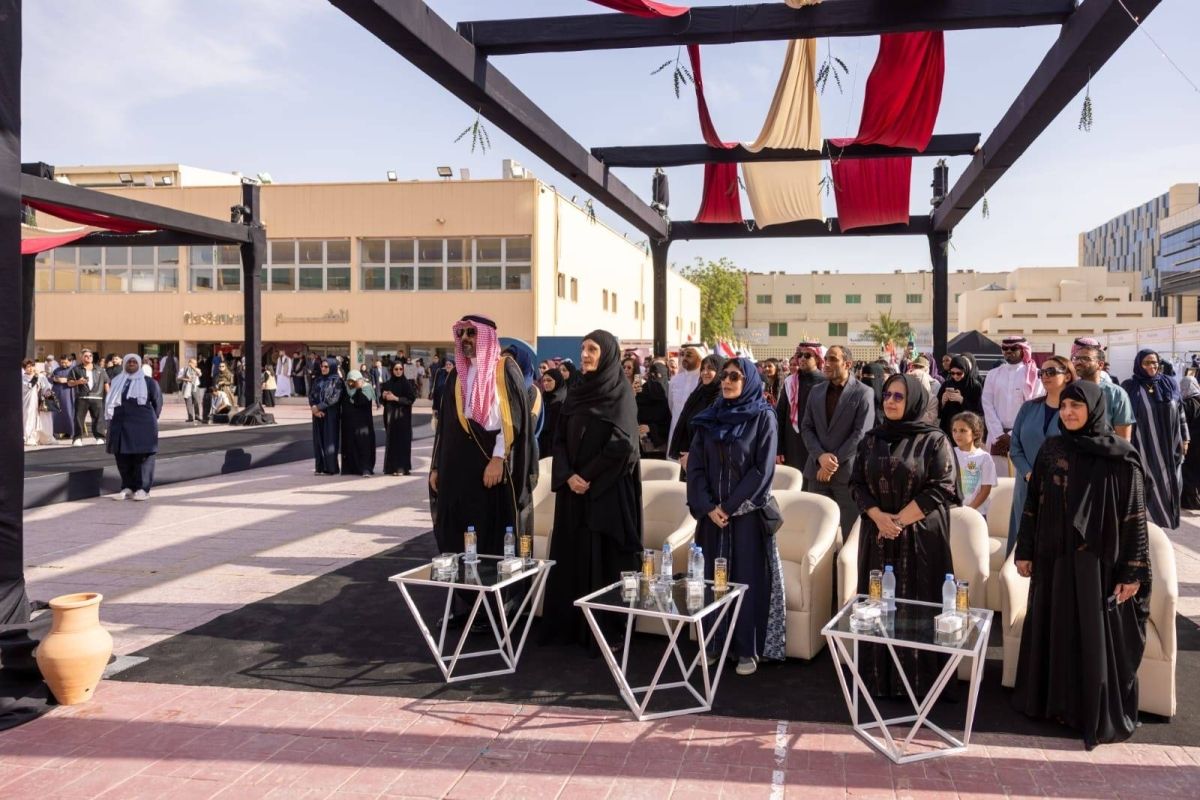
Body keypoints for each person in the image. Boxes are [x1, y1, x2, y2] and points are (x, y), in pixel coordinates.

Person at [1013, 380, 1151, 750]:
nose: (1069, 412)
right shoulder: (1051, 448)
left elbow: (1134, 516)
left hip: (1097, 563)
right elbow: (1033, 503)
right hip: (1053, 557)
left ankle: (1086, 711)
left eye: (1076, 406)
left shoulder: (1120, 455)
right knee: (1055, 627)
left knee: (1091, 635)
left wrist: (1132, 571)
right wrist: (1024, 550)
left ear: (1095, 409)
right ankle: (1055, 706)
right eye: (1064, 406)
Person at [850, 373, 959, 697]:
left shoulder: (934, 440)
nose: (891, 401)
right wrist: (878, 517)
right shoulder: (871, 439)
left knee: (918, 605)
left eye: (899, 396)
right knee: (878, 603)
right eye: (887, 395)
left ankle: (919, 684)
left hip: (920, 538)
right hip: (878, 535)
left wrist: (896, 522)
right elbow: (856, 484)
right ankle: (878, 680)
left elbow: (943, 486)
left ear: (913, 401)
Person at [541, 330, 642, 650]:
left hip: (605, 493)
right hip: (574, 493)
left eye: (592, 349)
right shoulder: (577, 392)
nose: (584, 354)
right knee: (572, 554)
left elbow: (623, 444)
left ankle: (603, 630)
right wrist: (568, 475)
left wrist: (586, 475)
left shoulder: (620, 393)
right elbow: (559, 438)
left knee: (603, 558)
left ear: (607, 354)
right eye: (583, 348)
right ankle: (569, 627)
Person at [687, 356, 786, 675]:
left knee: (746, 578)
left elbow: (762, 470)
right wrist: (707, 506)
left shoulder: (763, 417)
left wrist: (728, 507)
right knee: (711, 580)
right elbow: (696, 467)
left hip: (745, 517)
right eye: (724, 376)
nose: (727, 381)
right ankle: (713, 643)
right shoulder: (710, 417)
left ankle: (746, 649)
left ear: (750, 381)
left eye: (735, 376)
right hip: (711, 518)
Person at [429, 314, 533, 560]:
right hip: (457, 470)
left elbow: (513, 421)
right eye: (461, 333)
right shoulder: (456, 375)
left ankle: (492, 581)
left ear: (487, 336)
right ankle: (461, 581)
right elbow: (445, 427)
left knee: (491, 532)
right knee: (457, 532)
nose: (465, 338)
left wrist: (498, 458)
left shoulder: (504, 370)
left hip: (490, 466)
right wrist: (437, 466)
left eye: (471, 332)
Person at [801, 345, 876, 541]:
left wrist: (831, 463)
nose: (827, 363)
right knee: (816, 533)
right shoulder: (816, 391)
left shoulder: (863, 392)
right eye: (826, 358)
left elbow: (861, 434)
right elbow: (807, 428)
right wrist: (820, 456)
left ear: (847, 364)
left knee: (850, 533)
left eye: (833, 359)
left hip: (846, 475)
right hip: (817, 473)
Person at [1007, 355, 1075, 551]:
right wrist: (1029, 474)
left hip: (1060, 489)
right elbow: (1015, 447)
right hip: (1026, 484)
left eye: (1051, 371)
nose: (1045, 376)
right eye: (1041, 372)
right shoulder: (1028, 408)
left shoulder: (1075, 412)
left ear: (1067, 376)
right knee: (1024, 545)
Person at [1122, 349, 1188, 529]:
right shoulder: (1130, 386)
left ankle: (1167, 520)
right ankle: (1147, 527)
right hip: (1143, 446)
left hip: (1171, 446)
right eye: (1147, 363)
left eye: (1154, 362)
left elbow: (1180, 411)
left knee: (1172, 484)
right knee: (1146, 484)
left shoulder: (1169, 383)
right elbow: (1123, 417)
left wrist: (1185, 439)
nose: (1152, 366)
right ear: (1138, 365)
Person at [982, 336, 1045, 477]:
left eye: (1013, 348)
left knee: (1022, 479)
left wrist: (1012, 435)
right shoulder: (993, 374)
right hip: (996, 438)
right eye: (1005, 348)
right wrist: (999, 435)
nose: (1008, 351)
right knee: (997, 481)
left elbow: (1034, 407)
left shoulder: (1035, 375)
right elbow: (987, 404)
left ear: (1023, 350)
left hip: (1023, 435)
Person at [105, 354, 163, 501]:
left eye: (134, 362)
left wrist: (149, 418)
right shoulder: (117, 381)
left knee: (143, 456)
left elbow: (157, 403)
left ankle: (143, 489)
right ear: (124, 364)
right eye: (128, 362)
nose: (131, 364)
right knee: (122, 456)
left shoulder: (149, 382)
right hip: (120, 423)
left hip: (143, 425)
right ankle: (128, 487)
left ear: (139, 364)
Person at [668, 354, 724, 473]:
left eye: (710, 368)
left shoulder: (722, 399)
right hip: (688, 457)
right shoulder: (698, 393)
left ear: (720, 372)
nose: (705, 372)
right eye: (703, 369)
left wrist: (695, 456)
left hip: (709, 463)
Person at [776, 343, 826, 471]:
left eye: (807, 355)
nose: (802, 358)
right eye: (800, 355)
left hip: (817, 443)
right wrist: (779, 448)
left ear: (818, 359)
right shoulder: (790, 382)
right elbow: (780, 415)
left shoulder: (826, 382)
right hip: (792, 442)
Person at [1071, 344, 1133, 440]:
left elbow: (1124, 439)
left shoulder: (1115, 393)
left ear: (1100, 365)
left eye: (1085, 359)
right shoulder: (1071, 390)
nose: (1078, 362)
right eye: (1076, 358)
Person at [950, 411, 996, 516]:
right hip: (953, 512)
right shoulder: (949, 453)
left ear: (975, 433)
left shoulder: (984, 458)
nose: (957, 434)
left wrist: (969, 510)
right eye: (954, 430)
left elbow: (985, 490)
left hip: (977, 513)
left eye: (963, 430)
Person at [308, 357, 344, 475]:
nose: (323, 369)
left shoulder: (337, 381)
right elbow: (311, 395)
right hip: (317, 414)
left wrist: (319, 407)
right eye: (322, 366)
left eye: (326, 367)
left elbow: (335, 398)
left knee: (330, 441)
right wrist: (314, 408)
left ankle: (331, 468)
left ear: (332, 367)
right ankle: (320, 467)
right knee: (318, 441)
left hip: (331, 415)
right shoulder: (317, 380)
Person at [381, 361, 417, 476]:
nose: (398, 371)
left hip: (402, 417)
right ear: (392, 370)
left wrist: (396, 398)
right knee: (392, 441)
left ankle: (402, 468)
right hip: (390, 417)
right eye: (396, 369)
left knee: (402, 442)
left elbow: (411, 399)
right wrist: (383, 396)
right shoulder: (387, 384)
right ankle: (391, 467)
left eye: (400, 369)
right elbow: (382, 401)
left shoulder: (406, 384)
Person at [340, 370, 376, 477]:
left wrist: (359, 388)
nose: (351, 383)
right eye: (350, 381)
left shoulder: (366, 388)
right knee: (350, 445)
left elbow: (361, 402)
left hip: (363, 425)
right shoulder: (345, 390)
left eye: (354, 381)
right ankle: (350, 468)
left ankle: (366, 468)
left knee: (363, 446)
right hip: (349, 424)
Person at [67, 349, 107, 446]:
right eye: (86, 356)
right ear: (81, 357)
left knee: (98, 418)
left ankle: (100, 437)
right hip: (82, 397)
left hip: (97, 396)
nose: (88, 357)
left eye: (90, 356)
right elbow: (69, 383)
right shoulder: (76, 369)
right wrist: (78, 382)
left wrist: (109, 395)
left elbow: (106, 382)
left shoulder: (100, 370)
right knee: (79, 418)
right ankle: (77, 438)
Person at [667, 344, 702, 448]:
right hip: (676, 429)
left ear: (699, 358)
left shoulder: (703, 380)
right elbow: (671, 405)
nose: (684, 358)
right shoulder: (675, 380)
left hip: (695, 432)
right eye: (683, 355)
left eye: (689, 355)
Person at [635, 362, 672, 459]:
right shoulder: (642, 392)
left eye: (659, 376)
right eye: (652, 375)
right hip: (642, 445)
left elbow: (671, 422)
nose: (654, 379)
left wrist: (651, 428)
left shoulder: (671, 393)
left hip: (666, 446)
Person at [21, 360, 54, 446]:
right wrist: (36, 375)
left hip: (40, 402)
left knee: (43, 420)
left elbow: (47, 387)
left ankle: (44, 438)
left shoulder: (41, 376)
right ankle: (29, 438)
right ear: (24, 368)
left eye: (32, 366)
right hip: (29, 404)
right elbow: (30, 386)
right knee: (29, 420)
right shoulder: (22, 378)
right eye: (28, 367)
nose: (31, 368)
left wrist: (47, 392)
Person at [1180, 376, 1200, 510]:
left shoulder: (1186, 404)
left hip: (1191, 443)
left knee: (1188, 472)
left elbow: (1183, 424)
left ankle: (1190, 501)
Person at [537, 369, 567, 457]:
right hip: (542, 443)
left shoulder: (564, 400)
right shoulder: (544, 397)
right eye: (544, 381)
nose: (545, 383)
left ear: (557, 381)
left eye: (549, 380)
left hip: (557, 445)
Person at [906, 355, 939, 425]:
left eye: (921, 367)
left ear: (927, 368)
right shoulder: (906, 395)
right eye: (915, 366)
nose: (918, 368)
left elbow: (931, 418)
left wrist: (911, 413)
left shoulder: (935, 386)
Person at [49, 356, 75, 440]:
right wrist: (55, 379)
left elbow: (78, 380)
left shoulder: (74, 370)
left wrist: (66, 380)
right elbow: (51, 378)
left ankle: (70, 432)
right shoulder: (57, 370)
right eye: (62, 362)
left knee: (68, 412)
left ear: (70, 362)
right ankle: (55, 432)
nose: (63, 364)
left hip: (68, 393)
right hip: (57, 393)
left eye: (65, 362)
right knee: (56, 413)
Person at [179, 357, 201, 423]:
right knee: (188, 403)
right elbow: (179, 377)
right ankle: (190, 417)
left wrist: (193, 368)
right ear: (189, 363)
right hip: (187, 387)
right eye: (194, 363)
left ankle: (197, 416)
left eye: (196, 363)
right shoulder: (183, 369)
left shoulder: (197, 369)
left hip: (195, 387)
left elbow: (199, 374)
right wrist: (187, 379)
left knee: (196, 401)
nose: (195, 364)